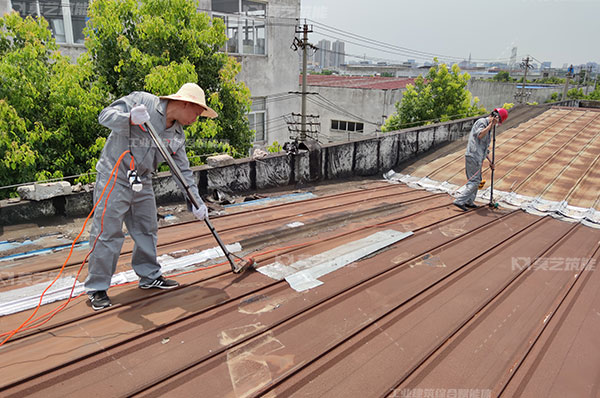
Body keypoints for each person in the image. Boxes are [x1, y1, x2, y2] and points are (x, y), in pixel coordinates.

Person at [85, 83, 217, 310]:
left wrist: (196, 201)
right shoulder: (143, 102)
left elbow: (182, 170)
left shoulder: (176, 135)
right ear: (186, 103)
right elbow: (105, 116)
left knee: (147, 228)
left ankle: (149, 276)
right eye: (196, 113)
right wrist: (128, 118)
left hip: (142, 180)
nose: (196, 119)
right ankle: (97, 287)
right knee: (108, 232)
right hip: (114, 176)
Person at [453, 107, 508, 211]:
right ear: (495, 117)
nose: (496, 124)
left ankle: (469, 201)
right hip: (473, 156)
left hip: (478, 157)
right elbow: (480, 135)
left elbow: (484, 148)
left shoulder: (489, 128)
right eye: (498, 121)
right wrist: (491, 124)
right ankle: (460, 200)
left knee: (477, 180)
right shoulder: (482, 122)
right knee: (475, 181)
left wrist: (490, 161)